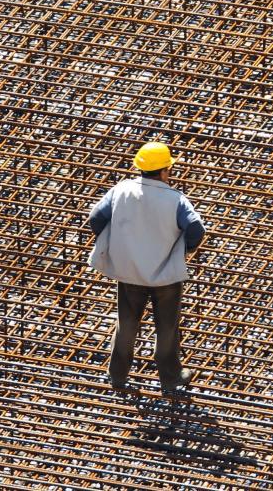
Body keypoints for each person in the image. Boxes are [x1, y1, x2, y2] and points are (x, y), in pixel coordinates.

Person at [87, 141, 205, 395]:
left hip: (129, 272)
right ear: (164, 171)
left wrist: (119, 245)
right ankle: (170, 378)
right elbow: (196, 228)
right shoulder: (176, 200)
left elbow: (95, 218)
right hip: (165, 277)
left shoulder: (121, 190)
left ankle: (117, 375)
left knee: (126, 323)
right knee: (167, 327)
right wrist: (185, 249)